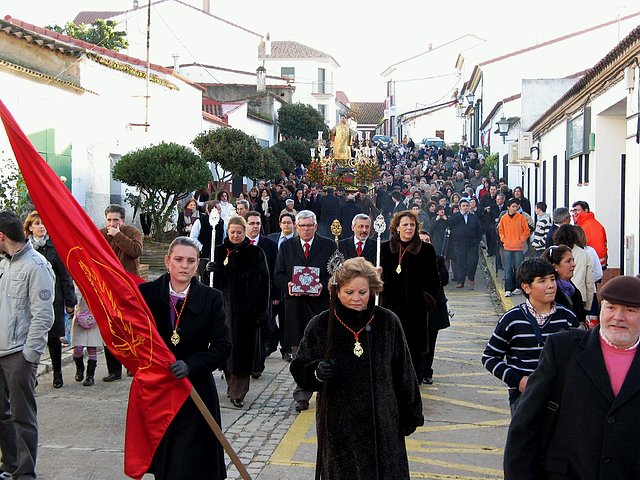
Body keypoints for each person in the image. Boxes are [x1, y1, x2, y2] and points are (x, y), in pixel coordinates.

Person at [290, 257, 424, 479]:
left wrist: (411, 412)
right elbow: (299, 366)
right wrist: (316, 372)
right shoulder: (322, 324)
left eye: (363, 292)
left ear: (372, 290)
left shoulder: (387, 322)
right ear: (337, 291)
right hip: (339, 423)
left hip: (383, 422)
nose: (356, 299)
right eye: (349, 292)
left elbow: (404, 372)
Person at [504, 275, 640, 479]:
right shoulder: (563, 349)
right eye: (610, 307)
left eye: (630, 310)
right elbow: (525, 426)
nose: (618, 317)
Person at [138, 237, 231, 479]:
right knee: (165, 461)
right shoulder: (145, 294)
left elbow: (222, 347)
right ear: (167, 261)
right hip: (159, 389)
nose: (184, 266)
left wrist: (191, 365)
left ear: (198, 264)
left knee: (191, 462)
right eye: (178, 260)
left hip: (195, 389)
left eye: (191, 261)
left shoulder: (212, 298)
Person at [482, 258, 579, 415]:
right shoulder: (512, 319)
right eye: (542, 281)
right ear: (526, 287)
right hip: (524, 398)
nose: (550, 285)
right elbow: (490, 357)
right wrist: (519, 382)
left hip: (562, 399)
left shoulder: (567, 317)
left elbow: (580, 355)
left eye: (552, 279)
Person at [0, 211, 55, 480]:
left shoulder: (37, 265)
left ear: (1, 236)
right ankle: (9, 465)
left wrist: (29, 355)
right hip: (0, 350)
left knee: (22, 416)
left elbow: (44, 315)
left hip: (18, 354)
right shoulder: (4, 264)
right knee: (2, 415)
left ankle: (25, 473)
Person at [273, 210, 335, 412]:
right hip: (295, 307)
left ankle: (326, 391)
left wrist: (323, 285)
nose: (306, 229)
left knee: (322, 349)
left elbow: (337, 272)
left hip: (320, 307)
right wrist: (289, 285)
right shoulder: (287, 246)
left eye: (309, 226)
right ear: (296, 227)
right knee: (300, 352)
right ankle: (302, 393)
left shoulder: (329, 245)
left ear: (316, 226)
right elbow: (278, 275)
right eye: (302, 226)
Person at [209, 217, 270, 408]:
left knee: (243, 352)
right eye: (232, 232)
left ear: (245, 232)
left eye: (239, 232)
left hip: (247, 312)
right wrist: (207, 271)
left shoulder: (255, 253)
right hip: (223, 310)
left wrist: (262, 312)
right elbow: (209, 284)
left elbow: (264, 283)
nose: (235, 236)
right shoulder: (218, 251)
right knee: (227, 351)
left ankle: (238, 391)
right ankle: (230, 384)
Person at [380, 210, 440, 383]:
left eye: (412, 225)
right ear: (397, 227)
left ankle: (413, 384)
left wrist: (426, 300)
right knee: (391, 348)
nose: (409, 228)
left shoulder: (426, 249)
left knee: (414, 351)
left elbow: (434, 280)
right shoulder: (384, 248)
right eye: (405, 224)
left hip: (416, 310)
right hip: (390, 308)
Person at [24, 211, 77, 388]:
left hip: (53, 300)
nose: (41, 227)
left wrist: (70, 301)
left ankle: (58, 373)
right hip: (29, 301)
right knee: (31, 338)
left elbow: (65, 276)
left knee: (53, 339)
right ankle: (32, 373)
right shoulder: (24, 248)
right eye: (37, 223)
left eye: (43, 223)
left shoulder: (54, 248)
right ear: (30, 227)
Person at [100, 204, 142, 382]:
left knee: (131, 328)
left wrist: (117, 235)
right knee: (110, 328)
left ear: (122, 221)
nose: (111, 223)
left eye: (115, 220)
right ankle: (113, 370)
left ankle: (133, 365)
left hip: (129, 287)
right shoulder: (101, 233)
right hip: (108, 287)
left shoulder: (132, 232)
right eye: (109, 220)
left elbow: (135, 251)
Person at [243, 211, 278, 377]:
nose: (255, 226)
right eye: (251, 223)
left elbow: (275, 271)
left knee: (263, 330)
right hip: (241, 297)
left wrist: (275, 294)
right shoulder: (237, 244)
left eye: (257, 223)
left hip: (264, 295)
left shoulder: (269, 245)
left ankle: (258, 364)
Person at [419, 231, 450, 385]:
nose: (425, 243)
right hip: (416, 307)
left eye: (427, 240)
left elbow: (444, 279)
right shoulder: (410, 258)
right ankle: (416, 371)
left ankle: (427, 372)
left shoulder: (438, 259)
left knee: (431, 342)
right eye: (421, 240)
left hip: (434, 307)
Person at [268, 212, 296, 361]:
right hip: (273, 285)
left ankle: (286, 349)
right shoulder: (271, 240)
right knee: (270, 319)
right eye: (284, 222)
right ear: (280, 224)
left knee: (286, 320)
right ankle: (271, 342)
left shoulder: (296, 242)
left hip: (288, 287)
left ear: (293, 224)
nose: (286, 225)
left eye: (289, 222)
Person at [552, 224, 595, 311]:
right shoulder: (583, 253)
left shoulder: (553, 253)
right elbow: (589, 281)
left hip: (558, 294)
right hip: (580, 297)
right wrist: (588, 306)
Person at [542, 245, 587, 325]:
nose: (573, 264)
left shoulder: (574, 291)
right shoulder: (549, 293)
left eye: (573, 260)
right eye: (568, 261)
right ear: (555, 267)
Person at [498, 198, 531, 297]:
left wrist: (521, 239)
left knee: (518, 268)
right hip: (507, 247)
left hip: (518, 247)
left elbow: (526, 230)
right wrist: (504, 239)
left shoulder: (520, 218)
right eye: (513, 206)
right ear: (508, 207)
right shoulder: (504, 218)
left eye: (516, 206)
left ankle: (518, 287)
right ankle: (508, 288)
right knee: (508, 268)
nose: (515, 208)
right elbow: (500, 231)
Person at [71, 286, 102, 386]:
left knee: (92, 347)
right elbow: (75, 296)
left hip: (95, 317)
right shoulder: (78, 283)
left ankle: (90, 376)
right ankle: (79, 367)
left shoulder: (97, 282)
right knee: (78, 348)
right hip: (81, 316)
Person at [449, 198, 483, 289]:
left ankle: (471, 279)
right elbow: (451, 223)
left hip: (472, 244)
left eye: (466, 206)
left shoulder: (473, 217)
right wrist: (461, 215)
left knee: (472, 262)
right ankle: (460, 281)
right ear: (460, 207)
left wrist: (477, 241)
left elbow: (479, 230)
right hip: (459, 244)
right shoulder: (455, 216)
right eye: (463, 206)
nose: (465, 208)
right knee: (461, 262)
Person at [190, 200, 224, 284]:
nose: (220, 211)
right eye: (218, 209)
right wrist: (202, 247)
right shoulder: (200, 222)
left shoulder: (222, 222)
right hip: (204, 257)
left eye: (220, 209)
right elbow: (193, 238)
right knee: (204, 280)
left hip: (218, 257)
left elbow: (224, 237)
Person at [571, 200, 608, 269]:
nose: (574, 213)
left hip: (590, 262)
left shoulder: (584, 226)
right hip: (599, 261)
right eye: (573, 211)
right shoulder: (595, 224)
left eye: (577, 210)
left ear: (586, 210)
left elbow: (580, 245)